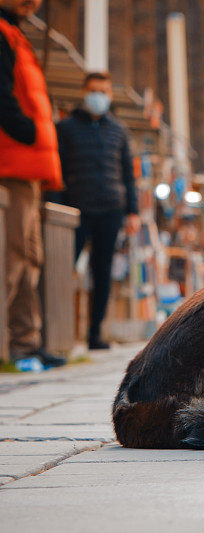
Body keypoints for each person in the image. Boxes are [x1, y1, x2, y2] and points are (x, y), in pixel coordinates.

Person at [0, 0, 65, 367]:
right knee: (10, 258)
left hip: (27, 166)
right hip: (11, 161)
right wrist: (27, 131)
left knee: (28, 258)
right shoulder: (3, 35)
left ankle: (25, 343)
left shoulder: (16, 34)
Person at [56, 72, 140, 350]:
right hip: (75, 210)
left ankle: (95, 334)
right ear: (84, 91)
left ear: (110, 95)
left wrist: (132, 211)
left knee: (102, 272)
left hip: (110, 210)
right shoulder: (66, 128)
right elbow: (58, 169)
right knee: (62, 268)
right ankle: (58, 332)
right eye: (94, 90)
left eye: (104, 91)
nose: (98, 96)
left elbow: (128, 173)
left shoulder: (118, 131)